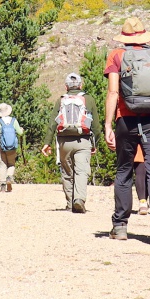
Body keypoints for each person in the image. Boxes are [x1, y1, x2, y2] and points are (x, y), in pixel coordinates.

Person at [105, 17, 150, 245]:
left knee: (124, 170)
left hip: (125, 120)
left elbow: (113, 93)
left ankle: (120, 226)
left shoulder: (116, 56)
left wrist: (108, 124)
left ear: (124, 37)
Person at [41, 73, 94, 213]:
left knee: (67, 172)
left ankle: (70, 203)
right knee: (81, 171)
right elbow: (96, 125)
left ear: (66, 87)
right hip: (83, 140)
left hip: (64, 141)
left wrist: (47, 142)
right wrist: (95, 144)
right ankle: (79, 199)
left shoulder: (61, 100)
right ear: (81, 85)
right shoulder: (88, 99)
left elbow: (52, 123)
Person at [0, 102, 25, 192]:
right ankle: (9, 177)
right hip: (11, 146)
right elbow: (20, 133)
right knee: (11, 164)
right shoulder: (14, 121)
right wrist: (21, 130)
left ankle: (3, 185)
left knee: (2, 164)